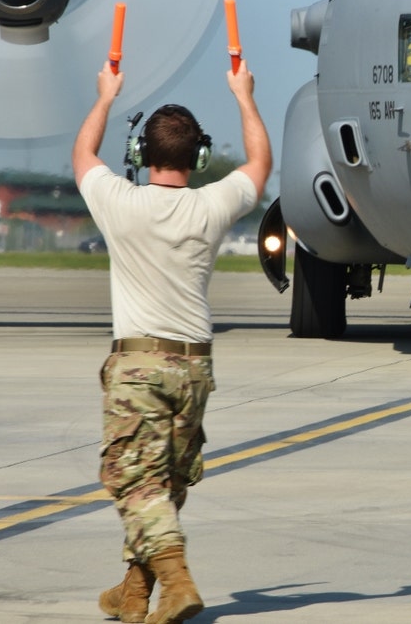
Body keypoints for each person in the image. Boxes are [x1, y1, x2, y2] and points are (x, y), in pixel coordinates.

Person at [72, 58, 271, 623]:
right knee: (163, 485)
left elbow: (83, 156)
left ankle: (178, 583)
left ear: (141, 157)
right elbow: (260, 163)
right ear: (197, 158)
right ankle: (134, 593)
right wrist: (243, 94)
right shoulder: (212, 207)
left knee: (134, 480)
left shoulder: (121, 202)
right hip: (194, 371)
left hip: (139, 368)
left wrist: (106, 96)